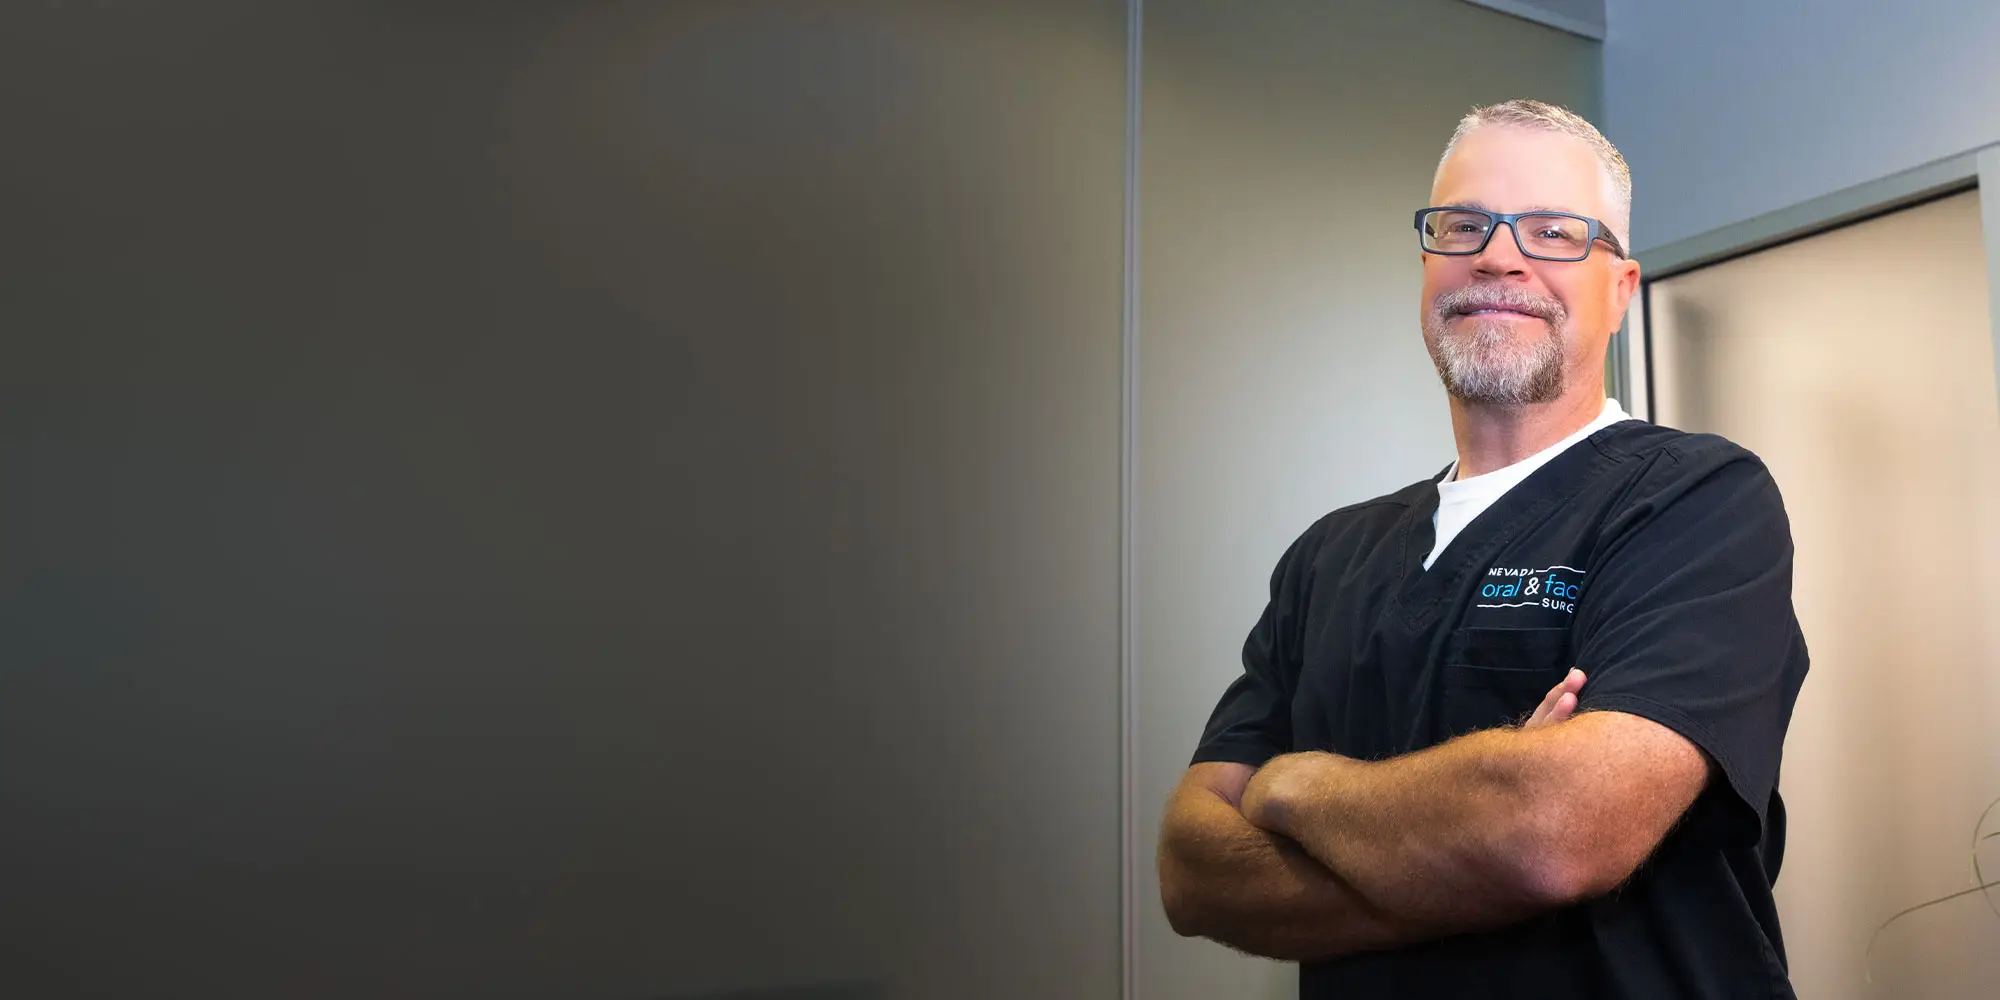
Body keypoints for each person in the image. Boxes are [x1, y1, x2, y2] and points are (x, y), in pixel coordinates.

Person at [1156, 99, 1810, 1000]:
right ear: (1428, 264)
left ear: (1620, 290)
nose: (1499, 257)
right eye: (1464, 225)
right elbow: (1192, 872)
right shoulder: (1328, 557)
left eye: (1553, 232)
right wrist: (1477, 842)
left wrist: (1296, 789)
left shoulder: (1696, 502)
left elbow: (1556, 831)